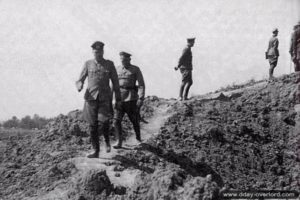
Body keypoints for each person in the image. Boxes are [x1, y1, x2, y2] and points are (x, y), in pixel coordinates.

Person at [76, 41, 122, 158]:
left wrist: (118, 99)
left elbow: (115, 83)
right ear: (93, 52)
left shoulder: (109, 64)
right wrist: (79, 85)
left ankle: (107, 141)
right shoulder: (88, 64)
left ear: (103, 52)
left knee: (104, 122)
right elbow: (80, 79)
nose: (98, 54)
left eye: (100, 52)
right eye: (96, 52)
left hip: (104, 98)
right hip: (91, 98)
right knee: (92, 125)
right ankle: (95, 150)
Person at [113, 52, 145, 149]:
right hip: (119, 98)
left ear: (129, 60)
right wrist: (112, 99)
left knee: (134, 120)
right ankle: (119, 141)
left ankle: (138, 138)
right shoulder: (117, 69)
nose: (123, 62)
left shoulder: (135, 69)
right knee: (116, 120)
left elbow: (141, 85)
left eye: (125, 60)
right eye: (122, 60)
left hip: (131, 98)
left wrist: (141, 98)